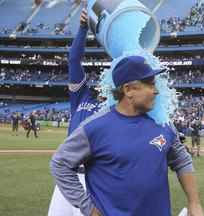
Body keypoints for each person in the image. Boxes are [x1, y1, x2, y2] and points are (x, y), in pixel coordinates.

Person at [50, 55, 204, 216]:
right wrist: (88, 208)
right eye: (150, 84)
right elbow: (60, 164)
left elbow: (181, 160)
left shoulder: (163, 124)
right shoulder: (93, 127)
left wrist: (194, 202)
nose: (156, 90)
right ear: (128, 89)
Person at [48, 8, 101, 216]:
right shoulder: (82, 97)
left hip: (94, 181)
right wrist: (82, 29)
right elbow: (73, 60)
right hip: (68, 177)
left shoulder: (118, 107)